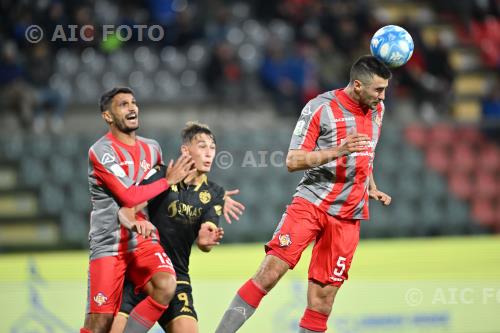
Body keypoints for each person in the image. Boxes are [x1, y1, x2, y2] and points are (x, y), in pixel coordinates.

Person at [215, 55, 393, 333]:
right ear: (358, 85)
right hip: (312, 204)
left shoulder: (377, 109)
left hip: (348, 215)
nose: (383, 97)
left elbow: (365, 151)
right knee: (269, 273)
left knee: (322, 302)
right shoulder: (320, 108)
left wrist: (370, 184)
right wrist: (338, 151)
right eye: (379, 90)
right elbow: (293, 161)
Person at [109, 122, 245, 333]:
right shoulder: (161, 174)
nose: (209, 153)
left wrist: (206, 240)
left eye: (212, 148)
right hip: (140, 272)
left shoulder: (215, 193)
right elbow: (127, 208)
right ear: (185, 150)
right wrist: (135, 222)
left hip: (177, 275)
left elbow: (206, 236)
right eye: (202, 146)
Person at [81, 87, 196, 333]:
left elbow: (158, 196)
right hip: (109, 245)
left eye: (133, 102)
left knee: (166, 284)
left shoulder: (152, 148)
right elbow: (128, 196)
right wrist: (168, 180)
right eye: (123, 104)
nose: (132, 107)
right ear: (108, 116)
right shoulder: (101, 152)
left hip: (143, 241)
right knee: (99, 323)